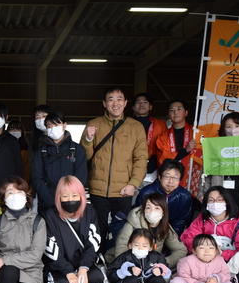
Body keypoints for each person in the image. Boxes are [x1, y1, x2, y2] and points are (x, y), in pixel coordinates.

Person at [80, 88, 148, 241]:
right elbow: (84, 157)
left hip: (123, 189)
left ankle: (118, 259)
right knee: (97, 228)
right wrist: (88, 140)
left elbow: (141, 159)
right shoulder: (93, 124)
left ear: (125, 103)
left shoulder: (136, 127)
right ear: (104, 104)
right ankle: (97, 258)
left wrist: (134, 184)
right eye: (111, 99)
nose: (115, 103)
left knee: (122, 229)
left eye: (119, 99)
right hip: (97, 189)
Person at [42, 176, 103, 283]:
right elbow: (51, 250)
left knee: (98, 277)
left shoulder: (90, 212)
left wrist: (83, 269)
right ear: (58, 197)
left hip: (83, 266)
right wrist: (69, 272)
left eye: (75, 195)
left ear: (81, 196)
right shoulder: (50, 216)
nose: (70, 200)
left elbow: (93, 244)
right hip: (60, 268)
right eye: (65, 196)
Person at [109, 193, 187, 269]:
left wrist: (162, 263)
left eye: (157, 208)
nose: (152, 211)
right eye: (148, 207)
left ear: (163, 212)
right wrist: (132, 267)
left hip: (152, 268)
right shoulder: (132, 225)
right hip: (130, 265)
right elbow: (120, 250)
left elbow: (181, 250)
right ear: (144, 210)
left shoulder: (165, 227)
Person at [107, 228, 171, 283]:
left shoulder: (157, 257)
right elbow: (110, 274)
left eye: (144, 246)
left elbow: (167, 270)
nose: (140, 248)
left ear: (151, 247)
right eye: (136, 245)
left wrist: (160, 270)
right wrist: (127, 271)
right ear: (130, 245)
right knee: (132, 279)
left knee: (158, 280)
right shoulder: (125, 257)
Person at [32, 111, 88, 213]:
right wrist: (50, 200)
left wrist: (67, 198)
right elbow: (37, 178)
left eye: (56, 124)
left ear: (64, 125)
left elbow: (81, 177)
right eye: (49, 126)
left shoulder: (77, 149)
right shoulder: (40, 151)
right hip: (47, 203)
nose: (53, 128)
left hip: (70, 203)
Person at [181, 186, 239, 262]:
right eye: (211, 200)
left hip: (229, 262)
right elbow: (188, 238)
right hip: (202, 258)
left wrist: (222, 253)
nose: (215, 203)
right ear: (206, 204)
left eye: (219, 200)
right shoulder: (202, 219)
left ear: (227, 202)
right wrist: (200, 252)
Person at [135, 159, 193, 235]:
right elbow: (138, 216)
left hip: (171, 234)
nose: (170, 181)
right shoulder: (146, 193)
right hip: (146, 231)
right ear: (159, 177)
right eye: (167, 176)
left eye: (175, 178)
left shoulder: (185, 196)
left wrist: (172, 237)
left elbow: (181, 221)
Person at [154, 100, 201, 191]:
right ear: (168, 114)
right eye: (172, 110)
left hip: (192, 177)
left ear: (186, 113)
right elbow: (164, 160)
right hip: (171, 180)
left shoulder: (196, 134)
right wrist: (185, 150)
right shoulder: (163, 137)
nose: (175, 112)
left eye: (179, 109)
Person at [131, 93, 167, 185]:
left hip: (153, 167)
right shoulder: (126, 124)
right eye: (138, 102)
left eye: (145, 102)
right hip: (131, 167)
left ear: (150, 107)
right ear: (133, 107)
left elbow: (165, 147)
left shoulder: (161, 124)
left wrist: (155, 162)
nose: (142, 105)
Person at [7, 119, 31, 183]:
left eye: (17, 129)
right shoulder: (3, 146)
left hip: (22, 181)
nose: (15, 131)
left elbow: (27, 169)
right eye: (12, 129)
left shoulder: (26, 147)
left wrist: (25, 183)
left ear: (22, 131)